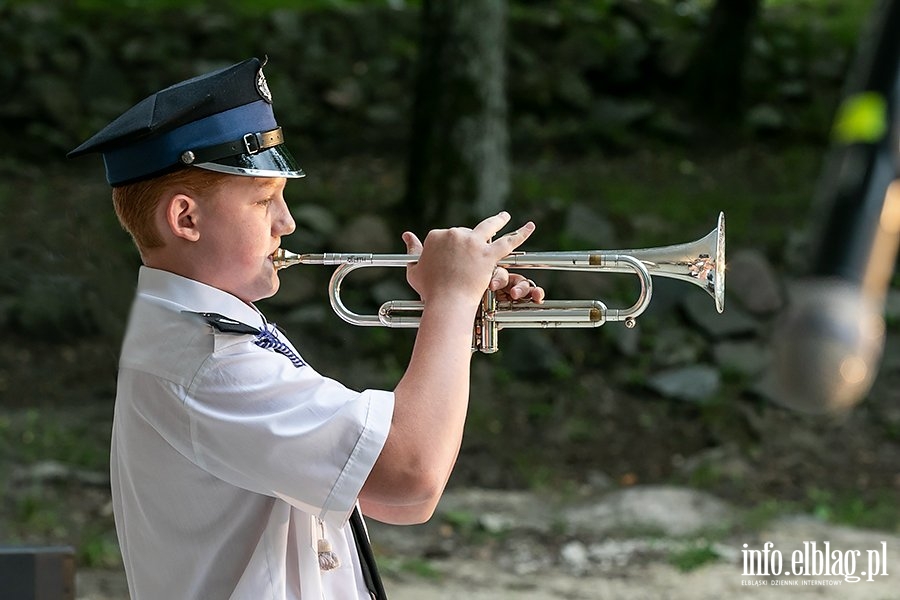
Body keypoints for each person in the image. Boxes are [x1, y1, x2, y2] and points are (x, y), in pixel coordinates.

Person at [68, 57, 544, 599]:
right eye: (264, 199)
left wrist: (453, 310)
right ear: (186, 220)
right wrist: (453, 301)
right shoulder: (210, 361)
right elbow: (411, 478)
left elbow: (386, 498)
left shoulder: (207, 335)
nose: (287, 222)